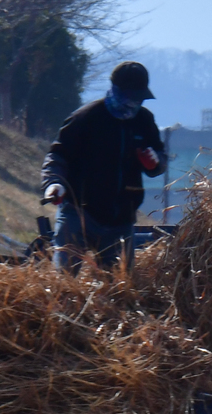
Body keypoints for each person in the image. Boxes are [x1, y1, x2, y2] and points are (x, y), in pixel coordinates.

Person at [41, 61, 166, 273]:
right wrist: (54, 184)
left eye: (139, 99)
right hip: (78, 213)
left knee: (119, 290)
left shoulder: (144, 121)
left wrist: (155, 163)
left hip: (120, 220)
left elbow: (160, 159)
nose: (133, 104)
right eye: (130, 97)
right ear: (115, 90)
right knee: (63, 282)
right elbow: (58, 155)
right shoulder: (86, 118)